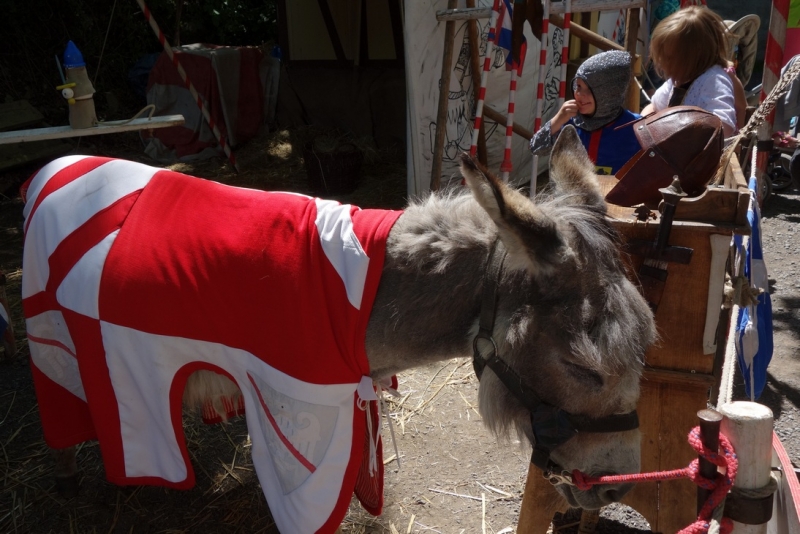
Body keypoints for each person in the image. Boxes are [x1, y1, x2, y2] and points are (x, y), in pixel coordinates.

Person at [529, 50, 641, 175]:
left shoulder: (635, 127)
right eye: (578, 86)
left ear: (610, 93)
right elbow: (536, 148)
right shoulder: (570, 121)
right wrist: (558, 119)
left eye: (590, 90)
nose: (580, 94)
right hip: (573, 193)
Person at [641, 6, 738, 137]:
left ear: (693, 56)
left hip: (703, 155)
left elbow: (724, 127)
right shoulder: (678, 80)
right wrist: (642, 124)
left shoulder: (713, 81)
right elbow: (654, 106)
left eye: (669, 58)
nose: (662, 64)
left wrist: (678, 130)